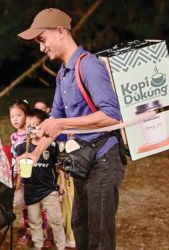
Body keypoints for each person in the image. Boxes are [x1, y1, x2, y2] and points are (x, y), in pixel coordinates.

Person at [17, 8, 126, 250]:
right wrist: (35, 154)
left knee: (100, 234)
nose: (41, 48)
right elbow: (55, 121)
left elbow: (111, 115)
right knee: (80, 227)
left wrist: (63, 124)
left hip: (104, 159)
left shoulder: (89, 66)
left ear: (60, 31)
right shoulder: (62, 75)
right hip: (83, 160)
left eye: (42, 40)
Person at [16, 109, 66, 250]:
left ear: (43, 126)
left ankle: (61, 246)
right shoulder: (22, 147)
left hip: (49, 189)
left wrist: (62, 183)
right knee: (34, 221)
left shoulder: (51, 146)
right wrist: (18, 184)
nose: (31, 129)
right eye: (28, 125)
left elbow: (59, 165)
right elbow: (20, 169)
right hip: (31, 190)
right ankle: (38, 244)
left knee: (56, 220)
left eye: (35, 125)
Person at [9, 100, 50, 248]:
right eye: (12, 116)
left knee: (41, 205)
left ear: (27, 117)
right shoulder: (13, 137)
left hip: (37, 173)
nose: (15, 119)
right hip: (21, 175)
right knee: (26, 205)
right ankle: (29, 230)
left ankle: (43, 233)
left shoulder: (31, 134)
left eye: (19, 115)